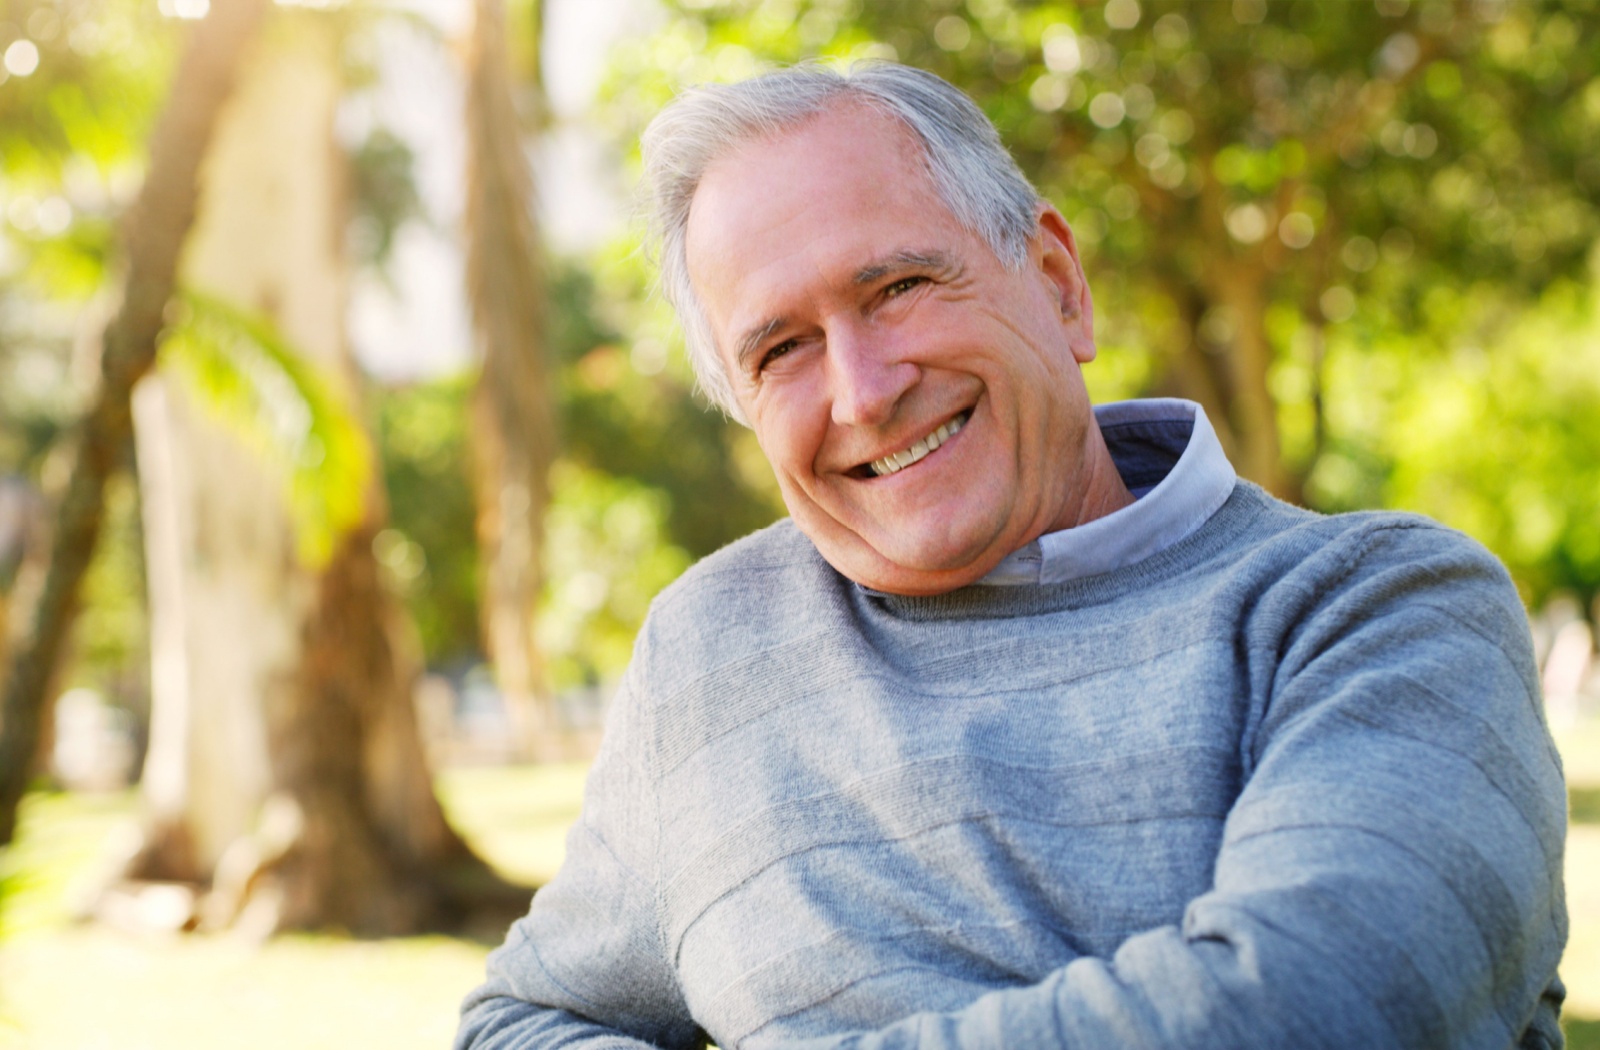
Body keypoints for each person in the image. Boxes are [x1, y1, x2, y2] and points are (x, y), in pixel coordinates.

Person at [457, 63, 1567, 1050]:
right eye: (781, 349)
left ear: (1056, 283)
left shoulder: (1378, 606)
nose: (863, 392)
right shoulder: (705, 650)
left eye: (895, 289)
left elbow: (1319, 1005)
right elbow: (525, 1019)